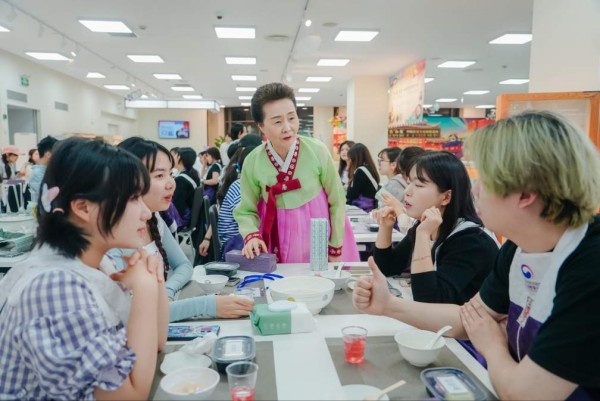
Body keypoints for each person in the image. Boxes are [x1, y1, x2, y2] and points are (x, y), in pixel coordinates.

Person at [353, 111, 600, 400]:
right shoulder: (518, 248)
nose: (476, 190)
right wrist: (388, 305)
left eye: (486, 180)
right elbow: (468, 317)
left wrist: (492, 344)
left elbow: (524, 393)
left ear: (525, 194)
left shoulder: (590, 265)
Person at [0, 137, 168, 400]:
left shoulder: (95, 262)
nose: (146, 213)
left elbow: (155, 343)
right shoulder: (55, 287)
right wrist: (145, 288)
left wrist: (152, 279)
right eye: (133, 198)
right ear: (83, 207)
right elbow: (129, 396)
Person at [105, 137, 253, 322]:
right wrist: (208, 306)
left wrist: (167, 292)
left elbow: (184, 265)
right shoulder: (111, 241)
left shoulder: (155, 220)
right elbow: (134, 315)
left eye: (170, 173)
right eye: (159, 176)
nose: (171, 183)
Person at [234, 82, 360, 263]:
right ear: (261, 126)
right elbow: (246, 210)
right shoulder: (253, 161)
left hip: (318, 237)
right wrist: (251, 234)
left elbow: (337, 200)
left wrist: (335, 246)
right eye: (277, 121)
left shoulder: (317, 151)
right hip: (274, 237)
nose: (287, 127)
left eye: (292, 118)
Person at [373, 151, 499, 304]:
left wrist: (422, 235)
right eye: (409, 183)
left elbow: (429, 299)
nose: (407, 191)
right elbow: (386, 268)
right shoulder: (426, 225)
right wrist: (386, 227)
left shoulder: (471, 240)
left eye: (419, 185)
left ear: (446, 197)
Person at [200, 146, 258, 259]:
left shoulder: (238, 181)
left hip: (236, 241)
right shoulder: (241, 186)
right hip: (235, 246)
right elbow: (248, 218)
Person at [346, 143, 380, 212]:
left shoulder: (360, 171)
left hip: (362, 208)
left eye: (350, 159)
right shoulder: (370, 168)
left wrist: (347, 187)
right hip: (370, 207)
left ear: (355, 158)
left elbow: (352, 194)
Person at [172, 147, 201, 229]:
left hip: (183, 219)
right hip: (189, 215)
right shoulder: (193, 173)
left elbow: (178, 205)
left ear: (179, 157)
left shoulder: (181, 180)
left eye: (175, 155)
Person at [28, 136, 59, 204]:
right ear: (48, 154)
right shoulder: (38, 174)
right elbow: (48, 196)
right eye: (57, 153)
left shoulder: (46, 171)